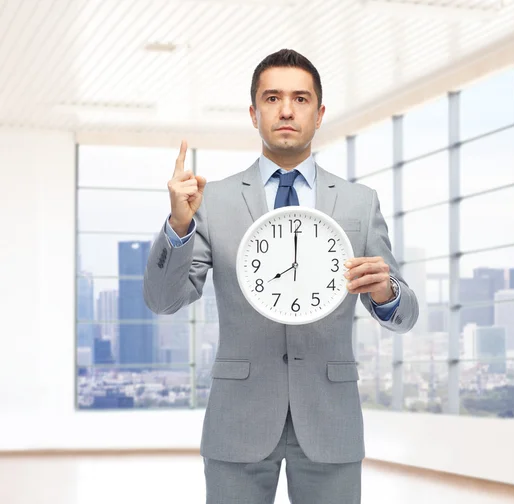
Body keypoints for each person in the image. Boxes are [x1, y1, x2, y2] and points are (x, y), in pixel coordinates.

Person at [143, 48, 419, 504]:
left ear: (319, 112)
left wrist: (387, 291)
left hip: (330, 418)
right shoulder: (212, 201)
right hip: (239, 417)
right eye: (272, 98)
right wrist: (177, 227)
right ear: (254, 113)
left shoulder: (358, 202)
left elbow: (404, 315)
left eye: (300, 98)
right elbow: (162, 300)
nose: (286, 110)